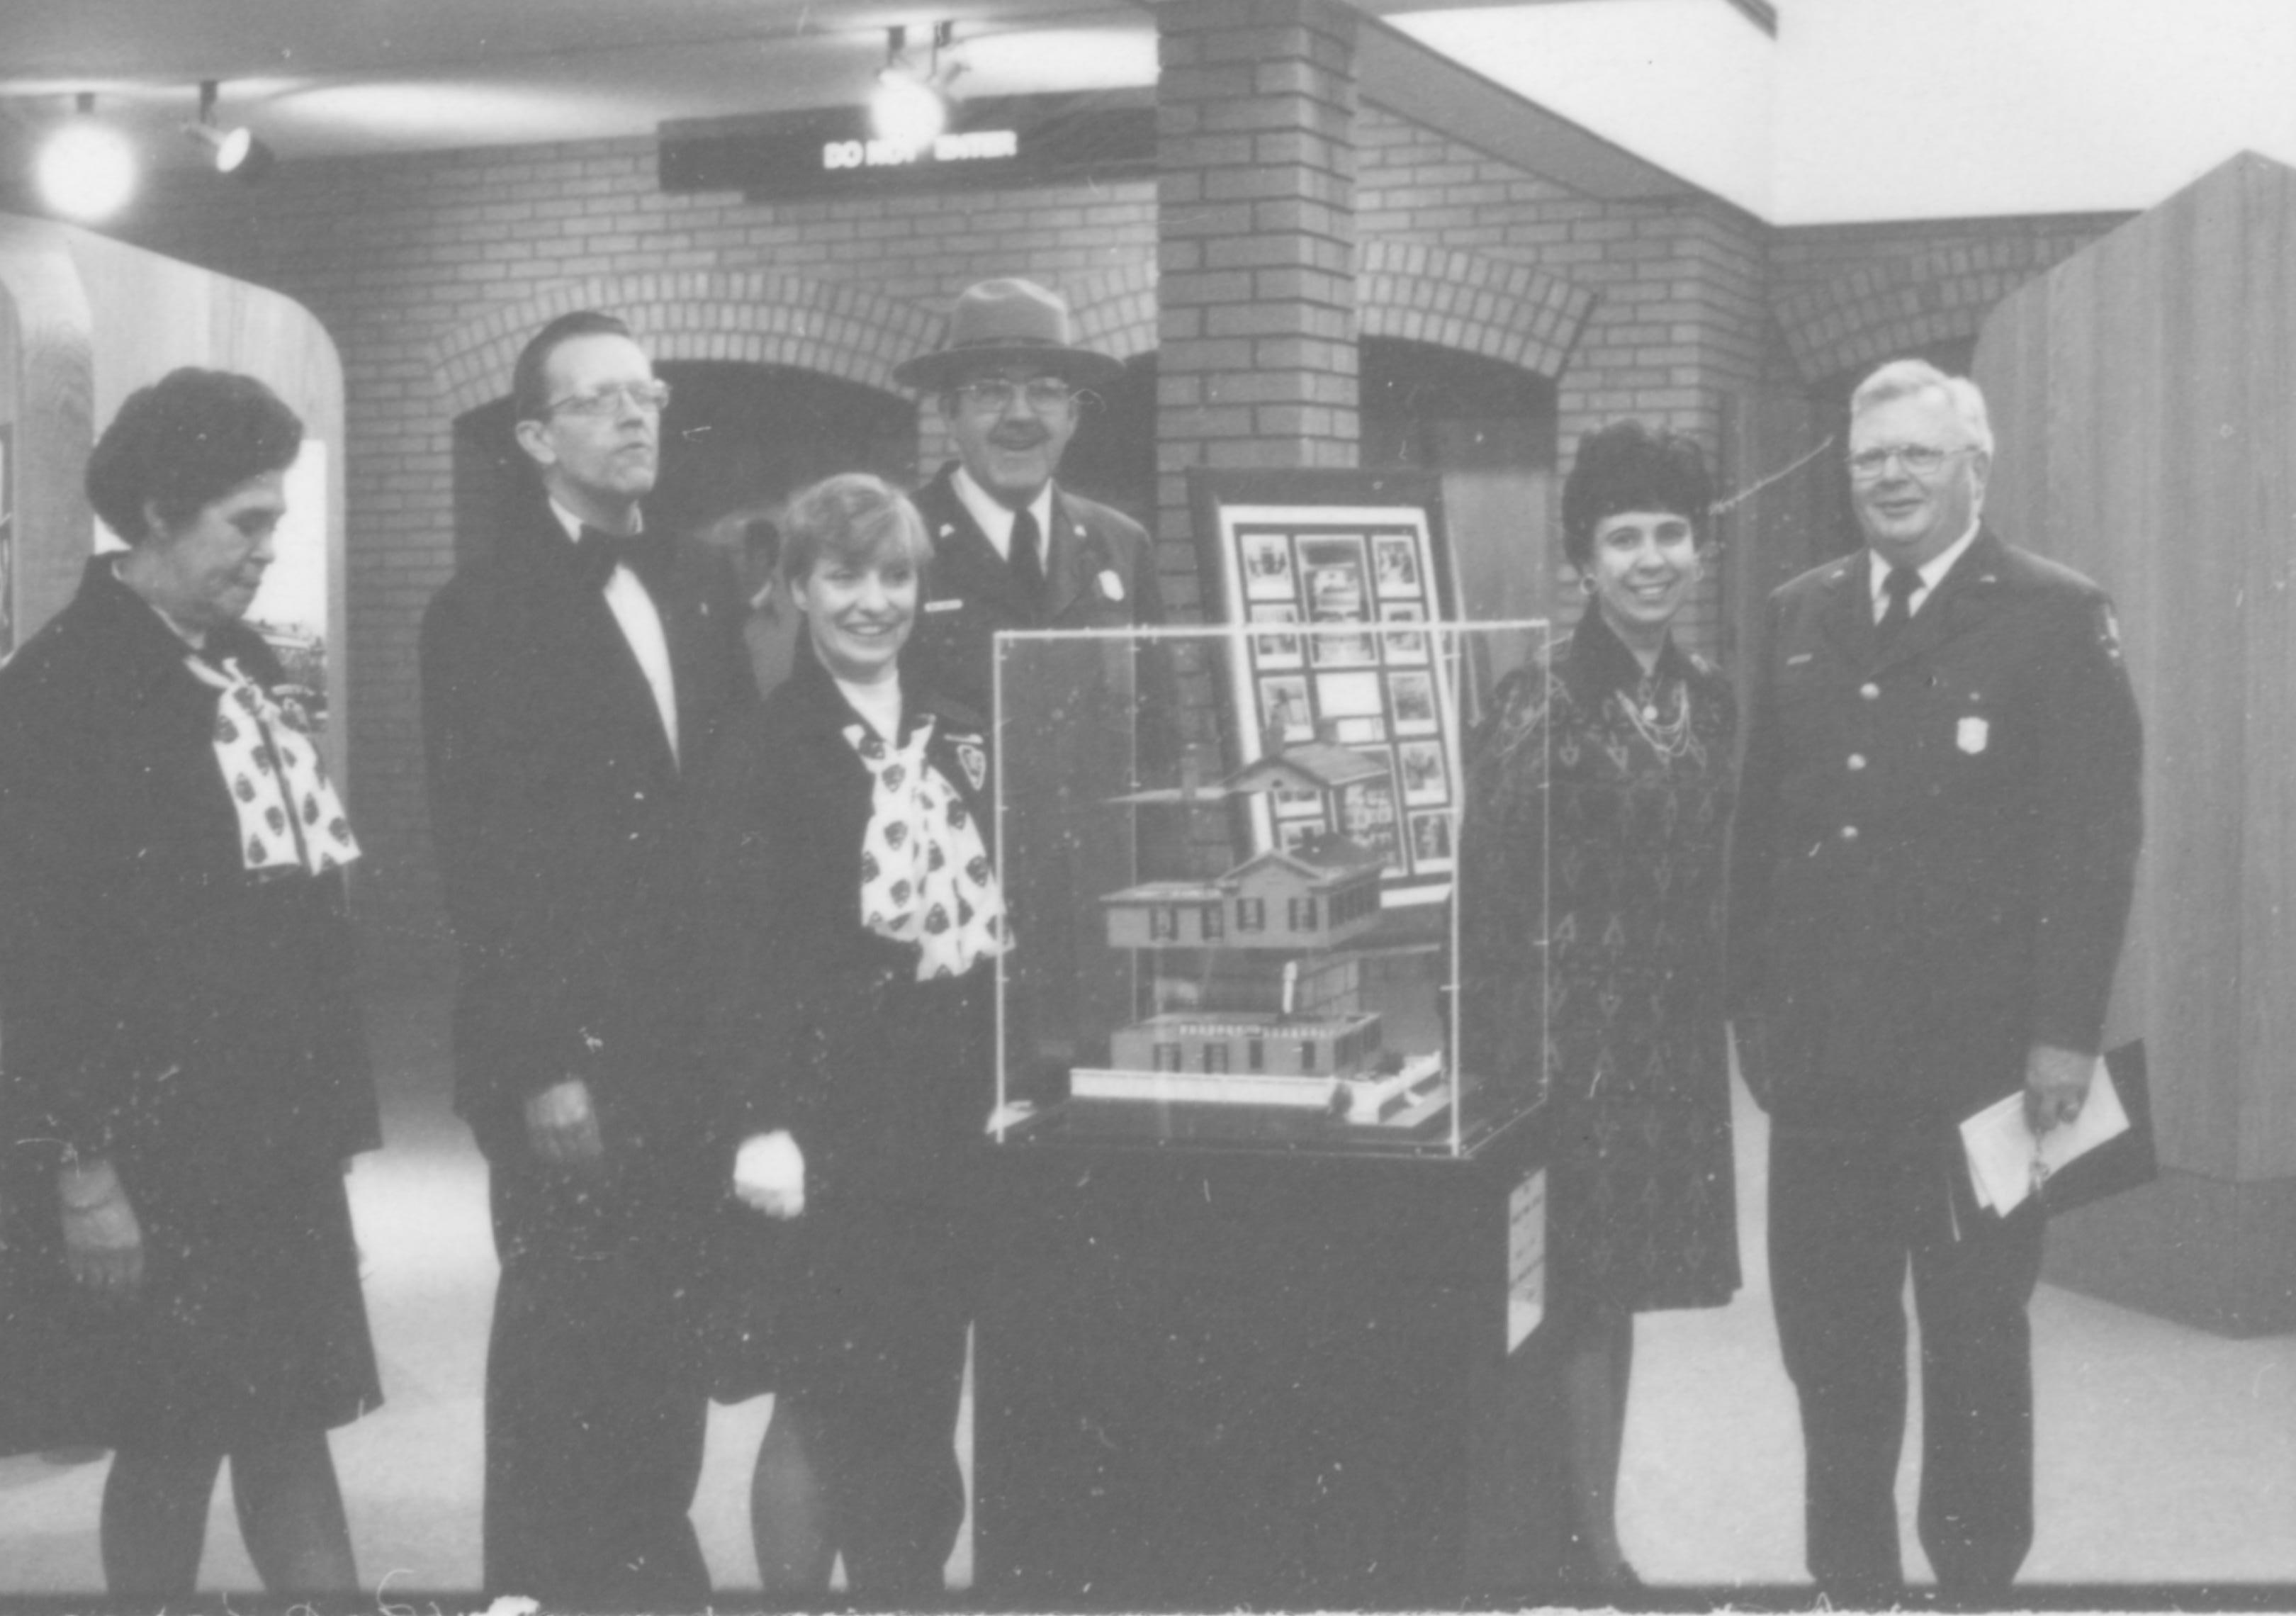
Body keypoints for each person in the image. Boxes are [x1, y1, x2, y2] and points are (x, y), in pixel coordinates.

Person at [1726, 359, 2142, 1603]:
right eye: (1870, 460)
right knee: (1832, 1346)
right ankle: (1850, 1583)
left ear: (1976, 468)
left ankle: (1971, 1583)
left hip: (1979, 1070)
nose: (1891, 479)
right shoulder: (1802, 609)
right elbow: (1760, 830)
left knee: (1971, 1342)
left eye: (1916, 455)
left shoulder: (2056, 614)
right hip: (1828, 1071)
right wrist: (1753, 1008)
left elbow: (2093, 844)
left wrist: (2065, 1036)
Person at [0, 368, 378, 1595]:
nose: (268, 551)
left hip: (269, 1139)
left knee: (289, 1425)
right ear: (158, 513)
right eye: (248, 523)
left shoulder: (247, 664)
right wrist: (84, 1169)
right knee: (171, 1443)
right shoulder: (55, 694)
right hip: (152, 1151)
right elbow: (32, 960)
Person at [420, 310, 756, 1601]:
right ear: (533, 435)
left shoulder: (696, 583)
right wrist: (542, 1061)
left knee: (666, 1346)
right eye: (601, 399)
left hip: (686, 1046)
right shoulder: (479, 610)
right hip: (564, 1055)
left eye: (649, 393)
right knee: (563, 1357)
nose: (636, 417)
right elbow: (481, 864)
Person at [697, 473, 1008, 1603]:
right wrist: (761, 1123)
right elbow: (738, 958)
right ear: (796, 590)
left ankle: (899, 1593)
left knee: (923, 1391)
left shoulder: (961, 732)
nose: (872, 600)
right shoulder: (763, 749)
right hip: (826, 1130)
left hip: (947, 1117)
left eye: (895, 575)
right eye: (843, 576)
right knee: (823, 1393)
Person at [1456, 420, 1740, 1590]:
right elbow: (1486, 893)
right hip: (1558, 1052)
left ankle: (1587, 1539)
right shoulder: (1539, 700)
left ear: (1699, 549)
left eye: (1671, 533)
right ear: (1584, 561)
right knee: (1547, 1302)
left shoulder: (1710, 700)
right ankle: (1563, 1555)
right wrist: (1503, 1066)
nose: (1650, 558)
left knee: (1608, 1302)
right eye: (1623, 538)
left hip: (1660, 1052)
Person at [891, 276, 1165, 715]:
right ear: (949, 413)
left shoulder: (1121, 545)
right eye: (990, 391)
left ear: (1072, 415)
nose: (1020, 415)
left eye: (1045, 391)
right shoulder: (893, 540)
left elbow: (1156, 736)